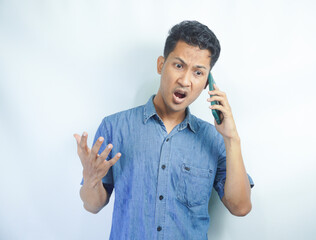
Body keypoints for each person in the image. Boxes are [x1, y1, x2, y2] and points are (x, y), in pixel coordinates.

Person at [74, 20, 254, 240]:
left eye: (198, 73)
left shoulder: (215, 140)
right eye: (178, 65)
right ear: (161, 65)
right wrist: (90, 179)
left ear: (208, 82)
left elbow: (241, 207)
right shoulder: (114, 127)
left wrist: (232, 138)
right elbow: (92, 206)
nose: (185, 80)